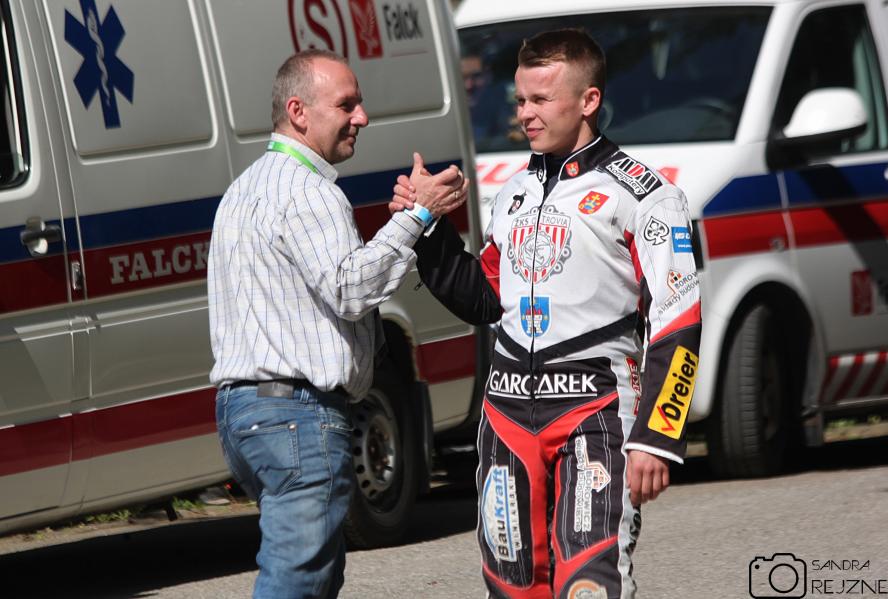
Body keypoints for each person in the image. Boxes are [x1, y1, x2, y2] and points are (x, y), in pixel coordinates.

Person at [392, 29, 701, 599]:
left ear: (588, 101)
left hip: (596, 412)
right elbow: (483, 297)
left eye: (540, 99)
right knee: (512, 587)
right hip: (507, 415)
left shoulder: (647, 196)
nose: (525, 114)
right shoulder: (514, 191)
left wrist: (657, 435)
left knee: (589, 583)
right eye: (519, 100)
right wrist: (427, 229)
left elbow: (678, 321)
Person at [207, 49, 467, 599]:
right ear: (298, 112)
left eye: (360, 103)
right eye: (347, 105)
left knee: (316, 575)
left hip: (245, 412)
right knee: (299, 579)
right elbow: (351, 289)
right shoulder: (309, 190)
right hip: (295, 414)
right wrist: (417, 215)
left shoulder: (244, 188)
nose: (362, 117)